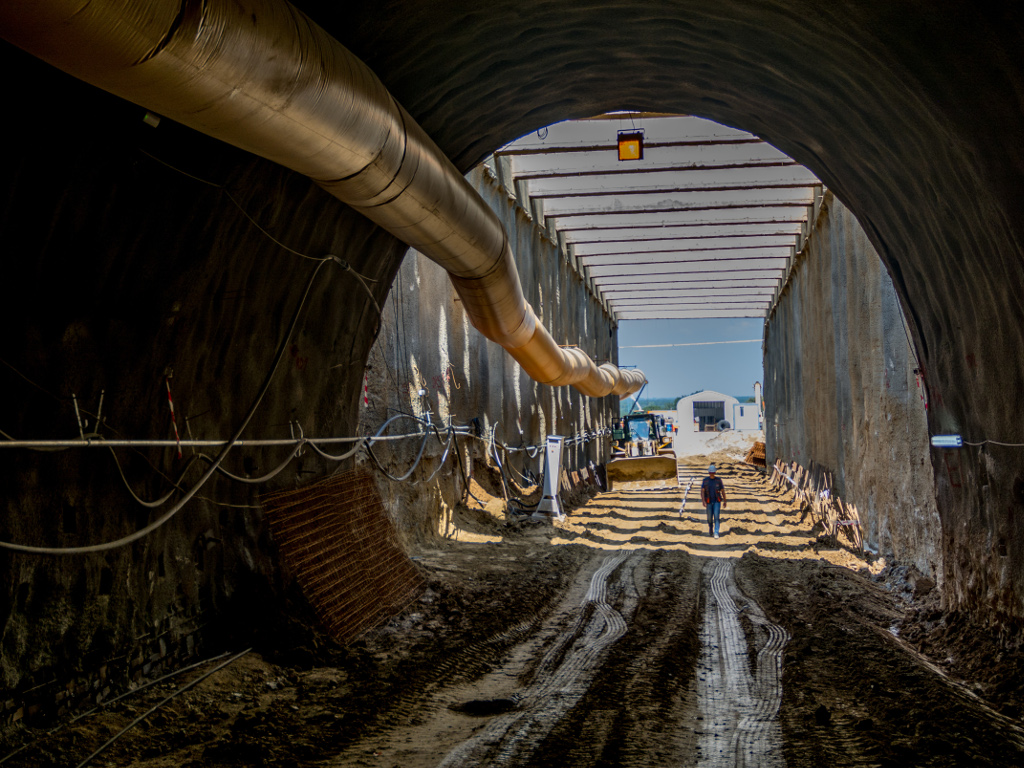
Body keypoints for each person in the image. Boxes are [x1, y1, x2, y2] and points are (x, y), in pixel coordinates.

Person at [701, 464, 727, 538]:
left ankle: (716, 532)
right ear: (709, 473)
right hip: (708, 502)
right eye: (710, 472)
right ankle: (710, 528)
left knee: (716, 516)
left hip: (717, 502)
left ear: (715, 473)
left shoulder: (718, 480)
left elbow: (722, 491)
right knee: (709, 518)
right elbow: (702, 491)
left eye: (713, 472)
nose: (712, 473)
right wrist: (703, 501)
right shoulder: (705, 481)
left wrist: (725, 501)